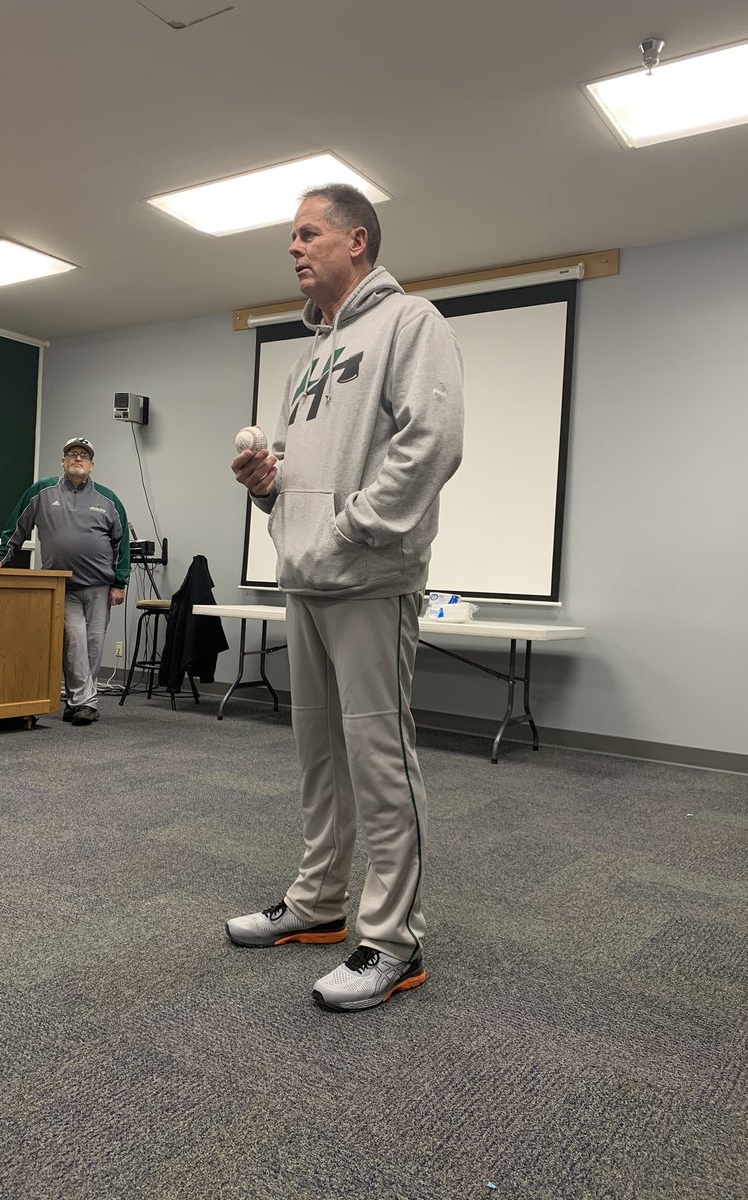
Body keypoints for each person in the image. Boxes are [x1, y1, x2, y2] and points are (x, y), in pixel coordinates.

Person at [227, 184, 464, 1012]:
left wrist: (350, 530)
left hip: (368, 578)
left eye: (308, 233)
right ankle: (319, 904)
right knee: (318, 757)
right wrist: (269, 487)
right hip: (305, 579)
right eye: (290, 237)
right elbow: (295, 471)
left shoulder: (412, 323)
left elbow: (431, 443)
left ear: (356, 240)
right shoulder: (308, 355)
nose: (293, 248)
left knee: (378, 762)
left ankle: (393, 941)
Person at [0, 437, 129, 726]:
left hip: (99, 586)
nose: (78, 458)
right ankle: (86, 702)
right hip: (63, 586)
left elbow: (122, 544)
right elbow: (17, 526)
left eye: (84, 455)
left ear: (92, 465)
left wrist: (120, 583)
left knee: (94, 646)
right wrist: (1, 558)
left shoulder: (108, 500)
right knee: (75, 642)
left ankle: (77, 701)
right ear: (63, 461)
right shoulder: (42, 491)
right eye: (72, 454)